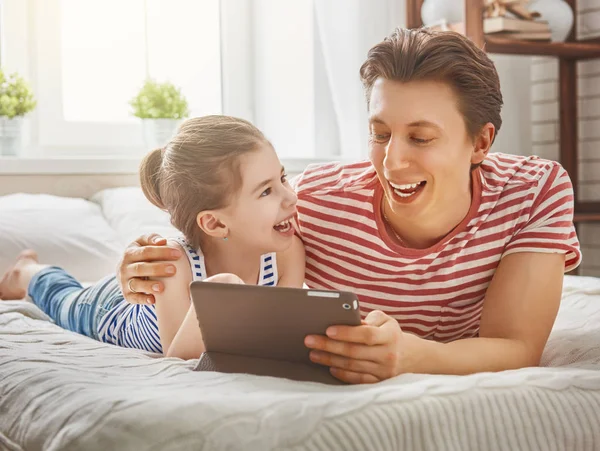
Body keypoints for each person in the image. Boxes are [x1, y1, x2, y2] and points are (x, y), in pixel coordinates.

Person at [118, 28, 581, 384]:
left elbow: (517, 346)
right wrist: (149, 263)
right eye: (380, 133)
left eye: (420, 138)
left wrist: (411, 355)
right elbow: (217, 221)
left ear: (481, 142)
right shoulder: (312, 198)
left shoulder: (533, 192)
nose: (392, 161)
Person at [0, 116, 305, 359]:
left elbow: (278, 334)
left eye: (282, 178)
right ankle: (27, 272)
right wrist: (220, 293)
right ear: (214, 223)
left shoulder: (287, 251)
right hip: (107, 311)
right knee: (61, 297)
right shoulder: (173, 265)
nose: (291, 197)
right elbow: (177, 358)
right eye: (266, 191)